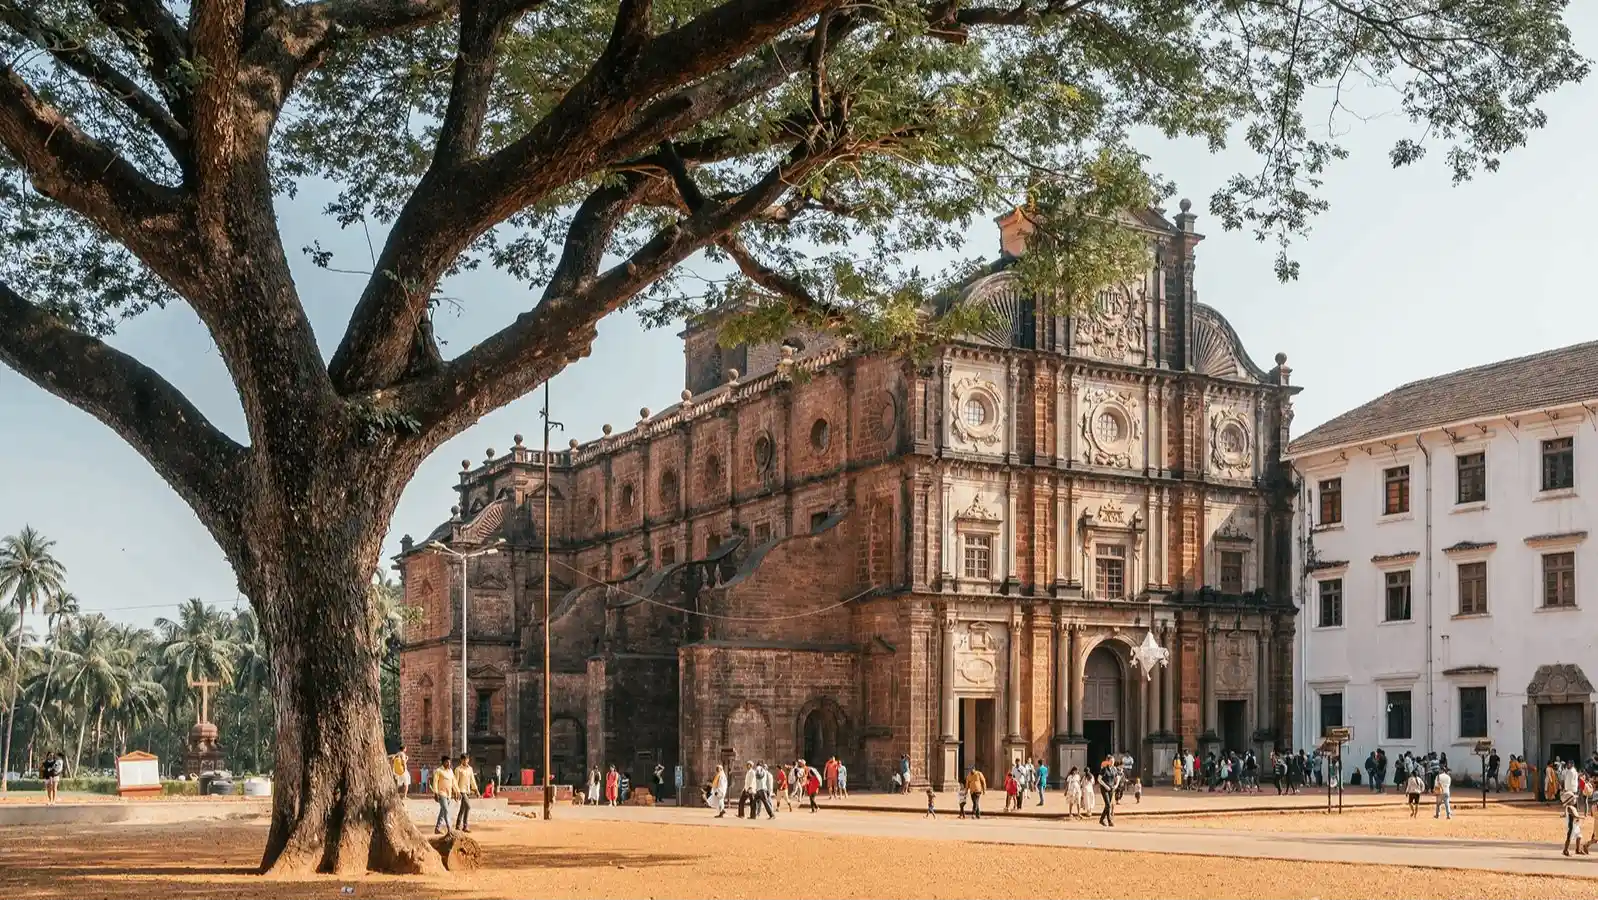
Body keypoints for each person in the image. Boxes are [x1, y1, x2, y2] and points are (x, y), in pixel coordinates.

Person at [1561, 759, 1588, 856]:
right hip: (1572, 823)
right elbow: (1574, 815)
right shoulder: (1570, 806)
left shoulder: (1571, 772)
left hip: (1570, 792)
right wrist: (1581, 817)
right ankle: (1565, 850)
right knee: (1571, 834)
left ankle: (1577, 849)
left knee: (1579, 835)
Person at [430, 755, 456, 835]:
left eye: (449, 762)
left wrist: (456, 791)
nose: (448, 763)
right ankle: (449, 828)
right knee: (446, 811)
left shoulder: (451, 771)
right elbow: (435, 783)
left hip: (449, 794)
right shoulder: (438, 771)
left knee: (442, 812)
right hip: (441, 794)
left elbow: (454, 782)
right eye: (446, 762)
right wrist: (435, 793)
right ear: (443, 762)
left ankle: (437, 828)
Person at [454, 754, 479, 833]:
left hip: (467, 790)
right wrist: (456, 792)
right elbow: (455, 781)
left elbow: (472, 780)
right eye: (463, 759)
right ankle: (465, 826)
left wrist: (476, 790)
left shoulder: (470, 769)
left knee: (462, 809)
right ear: (461, 760)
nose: (465, 761)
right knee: (468, 807)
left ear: (468, 760)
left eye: (466, 759)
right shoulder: (458, 769)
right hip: (461, 791)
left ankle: (458, 826)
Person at [1097, 761, 1118, 827]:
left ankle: (1106, 820)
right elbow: (1099, 779)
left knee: (1108, 805)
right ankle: (1106, 820)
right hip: (1104, 789)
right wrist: (1106, 786)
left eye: (1113, 761)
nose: (1112, 762)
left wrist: (1116, 785)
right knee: (1108, 804)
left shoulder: (1114, 769)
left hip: (1111, 788)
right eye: (1111, 761)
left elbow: (1117, 778)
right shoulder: (1104, 769)